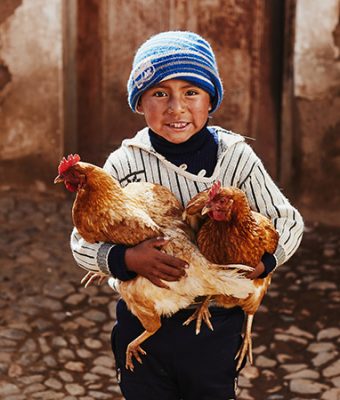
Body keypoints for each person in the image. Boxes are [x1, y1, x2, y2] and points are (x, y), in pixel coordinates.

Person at [70, 31, 304, 400]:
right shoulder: (125, 162)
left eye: (191, 92)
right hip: (142, 318)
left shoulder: (234, 158)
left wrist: (266, 262)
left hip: (213, 323)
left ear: (211, 99)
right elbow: (81, 244)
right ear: (139, 102)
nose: (176, 108)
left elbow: (288, 220)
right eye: (159, 93)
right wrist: (125, 258)